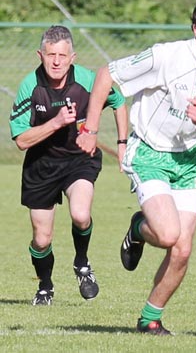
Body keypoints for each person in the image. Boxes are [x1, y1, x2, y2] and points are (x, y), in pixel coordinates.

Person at [76, 0, 196, 335]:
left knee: (183, 249)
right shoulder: (167, 56)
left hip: (189, 160)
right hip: (150, 152)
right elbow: (107, 74)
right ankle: (139, 228)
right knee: (168, 235)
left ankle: (149, 317)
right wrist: (91, 128)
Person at [9, 25, 128, 306]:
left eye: (62, 55)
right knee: (41, 238)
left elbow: (119, 102)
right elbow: (22, 141)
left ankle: (82, 263)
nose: (56, 61)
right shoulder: (30, 86)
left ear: (72, 57)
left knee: (81, 214)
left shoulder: (88, 80)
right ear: (41, 54)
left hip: (79, 160)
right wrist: (56, 122)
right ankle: (45, 286)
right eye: (50, 54)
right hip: (41, 165)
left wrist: (123, 144)